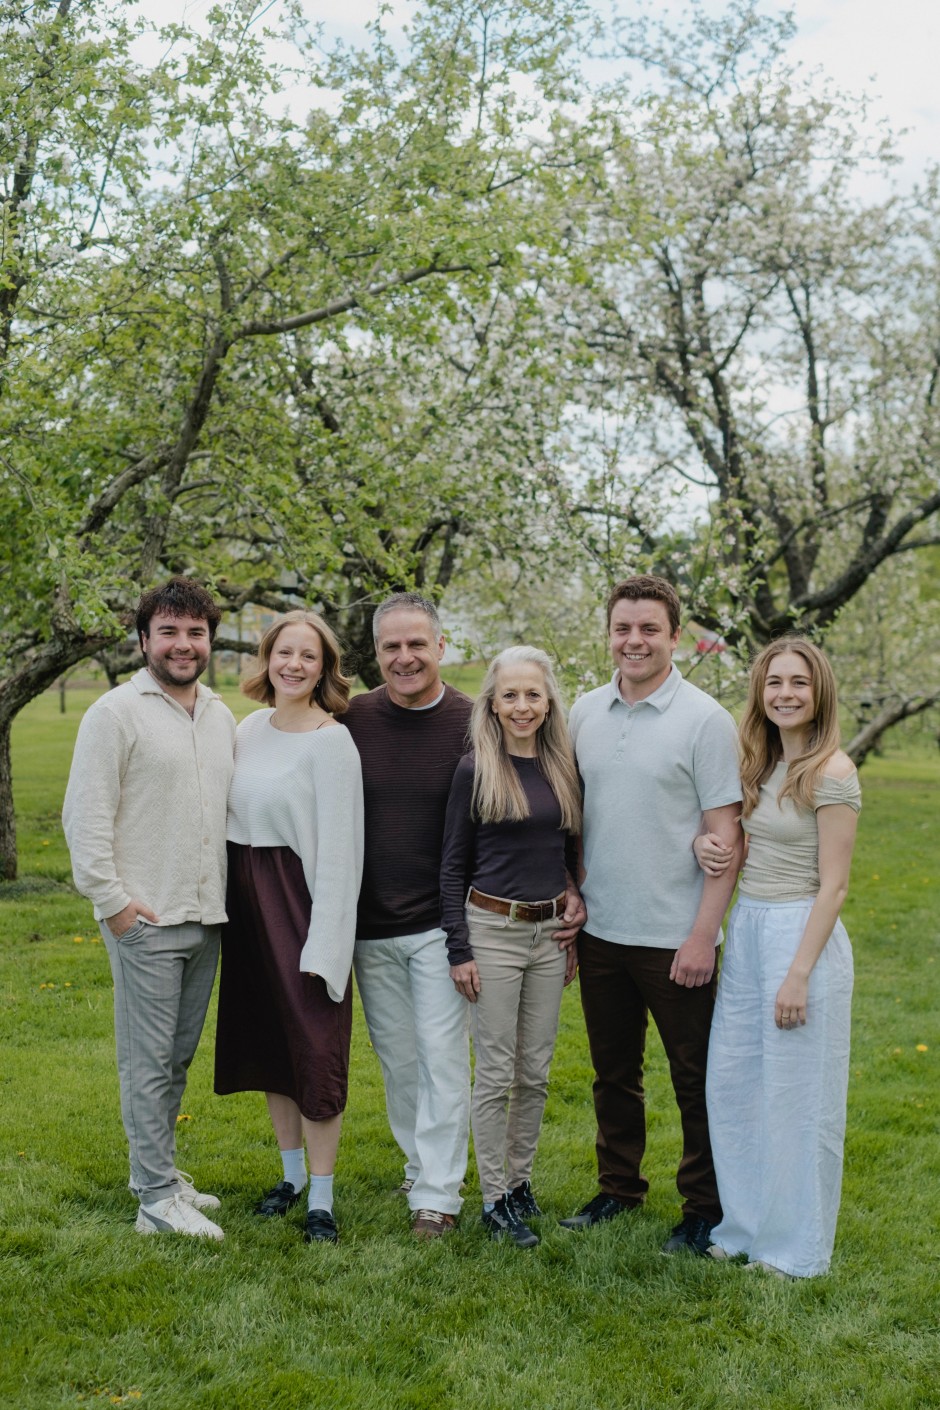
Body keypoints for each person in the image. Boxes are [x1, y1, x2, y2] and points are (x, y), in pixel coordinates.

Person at [344, 593, 586, 1239]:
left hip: (443, 923)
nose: (405, 657)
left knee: (446, 1061)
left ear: (441, 646)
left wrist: (565, 886)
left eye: (417, 644)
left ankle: (439, 1197)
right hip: (370, 922)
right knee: (399, 1063)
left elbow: (540, 820)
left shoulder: (470, 724)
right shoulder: (354, 717)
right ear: (376, 653)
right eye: (391, 647)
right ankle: (422, 1163)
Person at [561, 574, 743, 1255]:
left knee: (696, 1078)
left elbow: (726, 837)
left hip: (677, 939)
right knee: (614, 1074)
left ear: (674, 636)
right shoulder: (583, 712)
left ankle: (704, 1207)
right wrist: (574, 898)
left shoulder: (705, 721)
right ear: (609, 634)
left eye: (648, 630)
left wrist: (702, 936)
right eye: (622, 628)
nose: (633, 641)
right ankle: (618, 1188)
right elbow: (576, 823)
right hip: (603, 930)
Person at [63, 577, 235, 1239]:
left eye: (195, 632)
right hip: (146, 920)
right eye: (169, 631)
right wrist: (114, 905)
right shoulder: (115, 713)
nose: (183, 644)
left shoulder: (219, 714)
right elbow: (86, 819)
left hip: (206, 917)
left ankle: (160, 1172)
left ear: (209, 640)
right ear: (144, 640)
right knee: (146, 1058)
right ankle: (155, 1202)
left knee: (176, 1058)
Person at [698, 638, 860, 1279]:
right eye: (774, 683)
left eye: (798, 683)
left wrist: (798, 974)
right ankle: (743, 1227)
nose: (785, 694)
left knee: (796, 1095)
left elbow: (836, 885)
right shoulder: (758, 764)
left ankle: (794, 1250)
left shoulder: (833, 772)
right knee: (735, 1084)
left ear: (819, 693)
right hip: (749, 929)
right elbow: (735, 842)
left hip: (802, 933)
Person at [214, 611, 363, 1244]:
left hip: (299, 903)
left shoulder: (332, 742)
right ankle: (291, 1175)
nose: (294, 665)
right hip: (244, 903)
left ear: (324, 667)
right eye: (284, 653)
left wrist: (326, 943)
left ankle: (322, 1200)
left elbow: (341, 852)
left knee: (313, 1047)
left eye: (308, 656)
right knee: (271, 1045)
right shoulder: (248, 729)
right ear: (266, 659)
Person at [440, 646, 582, 1248]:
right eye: (510, 696)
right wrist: (459, 948)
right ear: (492, 705)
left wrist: (574, 899)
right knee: (495, 1072)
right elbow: (451, 866)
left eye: (533, 694)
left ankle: (521, 1184)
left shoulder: (563, 768)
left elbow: (567, 853)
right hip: (492, 932)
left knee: (536, 1072)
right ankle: (494, 1199)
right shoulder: (476, 770)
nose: (522, 706)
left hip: (549, 935)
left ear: (548, 701)